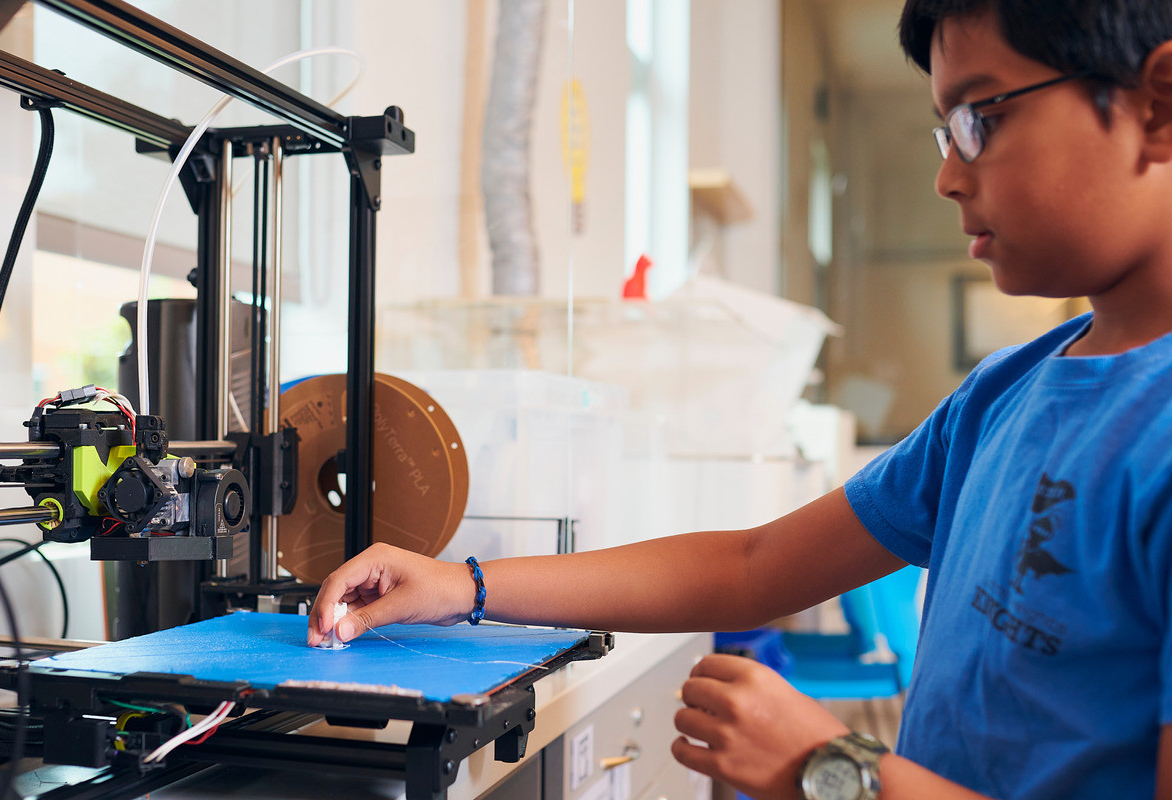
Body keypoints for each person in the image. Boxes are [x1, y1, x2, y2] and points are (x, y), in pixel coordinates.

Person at [309, 1, 1172, 797]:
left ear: (1157, 104)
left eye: (983, 117)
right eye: (943, 131)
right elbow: (754, 565)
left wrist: (831, 770)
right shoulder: (1003, 396)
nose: (948, 176)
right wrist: (461, 585)